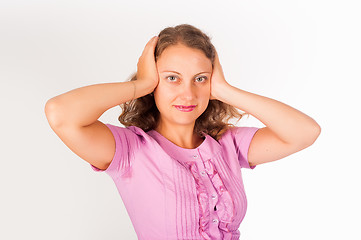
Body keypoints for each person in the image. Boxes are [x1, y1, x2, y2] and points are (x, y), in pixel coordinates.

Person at [45, 24, 321, 240]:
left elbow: (305, 132)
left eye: (200, 79)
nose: (187, 93)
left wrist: (225, 91)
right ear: (155, 82)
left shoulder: (228, 144)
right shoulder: (129, 150)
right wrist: (142, 84)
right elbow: (60, 113)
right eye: (172, 78)